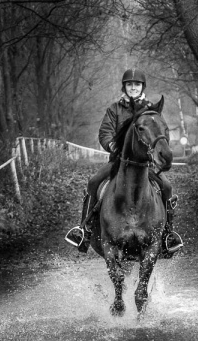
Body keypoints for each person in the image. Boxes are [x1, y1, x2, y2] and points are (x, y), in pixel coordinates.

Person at [65, 68, 183, 257]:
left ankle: (168, 235)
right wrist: (112, 145)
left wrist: (156, 151)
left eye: (137, 84)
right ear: (125, 87)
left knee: (167, 187)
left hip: (145, 164)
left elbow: (158, 131)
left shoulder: (151, 109)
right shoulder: (114, 109)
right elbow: (105, 132)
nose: (133, 87)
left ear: (142, 87)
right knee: (94, 182)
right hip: (119, 162)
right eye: (130, 84)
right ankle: (84, 231)